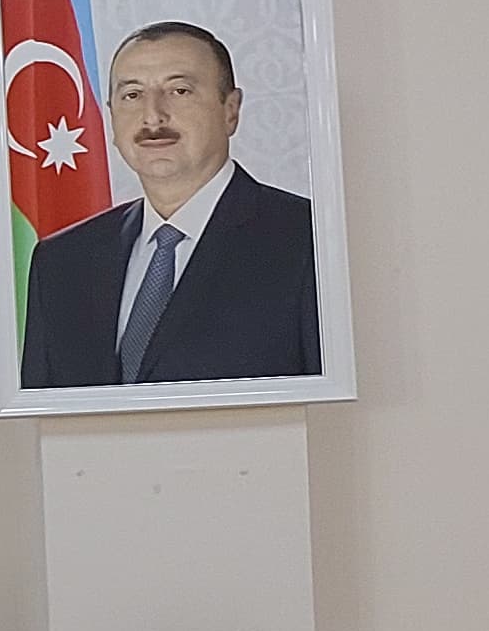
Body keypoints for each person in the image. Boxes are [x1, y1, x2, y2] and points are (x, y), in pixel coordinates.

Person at [17, 19, 320, 387]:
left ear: (231, 110)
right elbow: (47, 412)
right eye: (132, 95)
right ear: (110, 116)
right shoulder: (62, 262)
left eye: (179, 91)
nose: (153, 116)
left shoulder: (309, 240)